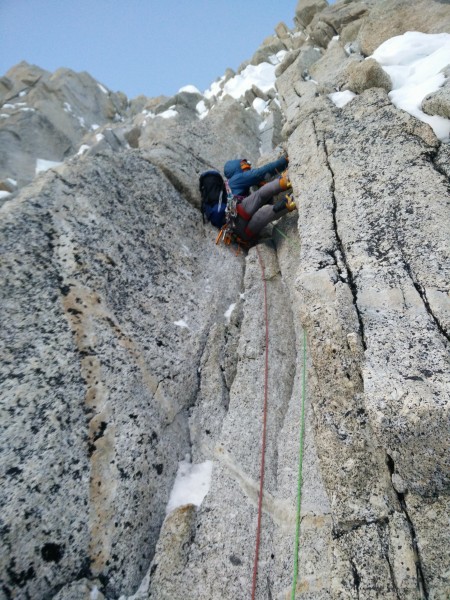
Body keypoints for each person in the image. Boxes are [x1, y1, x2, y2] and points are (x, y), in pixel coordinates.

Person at [218, 156, 296, 245]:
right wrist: (284, 161)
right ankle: (286, 180)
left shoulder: (229, 185)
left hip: (242, 234)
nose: (249, 168)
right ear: (239, 167)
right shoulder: (236, 178)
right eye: (246, 165)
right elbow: (260, 173)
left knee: (264, 213)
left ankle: (291, 201)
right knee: (260, 195)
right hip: (240, 215)